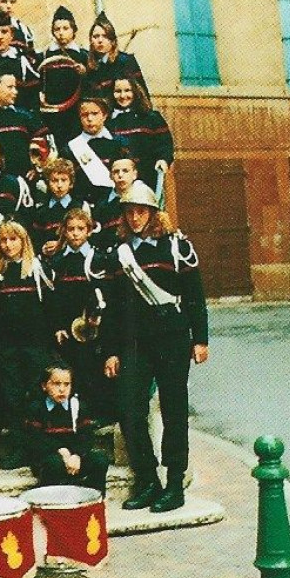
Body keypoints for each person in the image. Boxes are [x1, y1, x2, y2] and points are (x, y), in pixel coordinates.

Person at [101, 181, 209, 513]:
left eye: (141, 211)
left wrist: (201, 338)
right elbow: (113, 306)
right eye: (129, 212)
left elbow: (194, 295)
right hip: (134, 341)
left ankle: (174, 483)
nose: (135, 218)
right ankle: (148, 480)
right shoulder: (118, 252)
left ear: (152, 212)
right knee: (130, 410)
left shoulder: (176, 246)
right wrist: (111, 349)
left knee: (174, 411)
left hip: (173, 337)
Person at [0, 218, 55, 466]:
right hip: (7, 347)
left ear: (24, 241)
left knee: (35, 395)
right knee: (12, 397)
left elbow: (50, 307)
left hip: (35, 345)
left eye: (14, 239)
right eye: (4, 240)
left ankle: (40, 447)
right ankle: (19, 448)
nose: (9, 245)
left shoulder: (37, 269)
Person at [43, 206, 113, 424]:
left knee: (93, 372)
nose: (75, 233)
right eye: (70, 229)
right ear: (63, 231)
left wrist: (96, 318)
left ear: (89, 231)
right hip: (67, 330)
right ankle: (74, 417)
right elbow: (52, 300)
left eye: (80, 229)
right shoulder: (57, 262)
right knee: (72, 374)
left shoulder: (99, 259)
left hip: (93, 329)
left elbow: (105, 295)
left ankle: (97, 416)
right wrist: (58, 327)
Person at [21, 363, 109, 491]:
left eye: (67, 384)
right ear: (44, 386)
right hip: (49, 459)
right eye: (56, 384)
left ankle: (93, 497)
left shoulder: (77, 407)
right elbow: (35, 439)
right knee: (54, 463)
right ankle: (52, 498)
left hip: (74, 460)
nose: (62, 389)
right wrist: (60, 449)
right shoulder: (38, 409)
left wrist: (77, 455)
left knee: (100, 459)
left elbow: (86, 436)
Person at [108, 76, 174, 193]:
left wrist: (163, 159)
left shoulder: (151, 118)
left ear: (136, 91)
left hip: (146, 177)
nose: (123, 96)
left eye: (128, 90)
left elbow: (165, 144)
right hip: (118, 180)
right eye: (118, 91)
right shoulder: (109, 121)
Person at [37, 5, 89, 150]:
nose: (61, 33)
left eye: (65, 28)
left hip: (75, 113)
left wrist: (84, 73)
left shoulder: (83, 56)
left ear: (74, 31)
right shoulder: (45, 56)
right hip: (52, 113)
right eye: (57, 29)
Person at [65, 96, 130, 204]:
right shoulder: (70, 148)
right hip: (82, 206)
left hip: (114, 204)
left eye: (94, 114)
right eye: (84, 115)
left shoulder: (119, 144)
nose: (89, 119)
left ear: (104, 115)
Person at [82, 11, 149, 104]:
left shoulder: (125, 61)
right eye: (96, 36)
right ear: (91, 41)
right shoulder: (90, 66)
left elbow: (142, 96)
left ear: (113, 41)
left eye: (105, 36)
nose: (100, 40)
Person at [30, 158, 88, 253]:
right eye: (54, 180)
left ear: (71, 183)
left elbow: (88, 237)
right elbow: (35, 240)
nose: (59, 185)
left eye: (64, 180)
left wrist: (62, 245)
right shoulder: (41, 211)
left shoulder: (81, 207)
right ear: (48, 183)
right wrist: (43, 248)